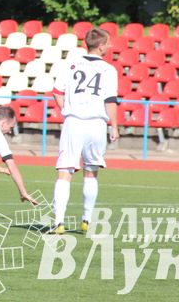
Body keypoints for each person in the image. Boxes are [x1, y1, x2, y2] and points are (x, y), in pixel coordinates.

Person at [50, 28, 119, 234]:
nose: (110, 46)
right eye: (108, 43)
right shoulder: (109, 70)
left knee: (65, 172)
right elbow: (110, 100)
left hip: (74, 122)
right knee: (91, 172)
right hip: (97, 124)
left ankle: (58, 222)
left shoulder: (69, 66)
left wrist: (66, 109)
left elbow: (56, 92)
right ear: (101, 45)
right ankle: (86, 219)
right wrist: (114, 126)